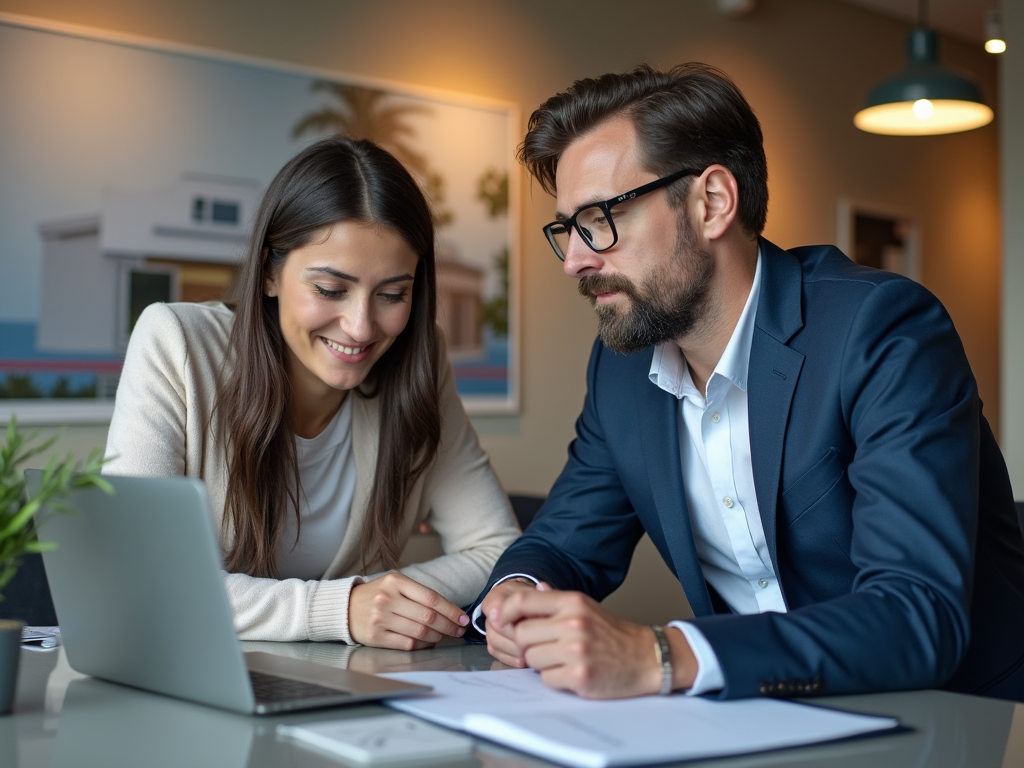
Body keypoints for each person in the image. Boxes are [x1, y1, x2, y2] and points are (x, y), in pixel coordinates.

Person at [474, 63, 1024, 702]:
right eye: (567, 229)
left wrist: (663, 654)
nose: (574, 260)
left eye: (600, 219)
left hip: (966, 722)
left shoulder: (881, 330)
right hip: (766, 724)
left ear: (711, 202)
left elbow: (916, 610)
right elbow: (563, 542)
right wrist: (516, 595)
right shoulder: (621, 373)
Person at [105, 136, 520, 650]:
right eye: (330, 289)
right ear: (269, 273)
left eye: (393, 294)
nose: (362, 326)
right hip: (197, 677)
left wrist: (382, 603)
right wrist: (342, 608)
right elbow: (133, 582)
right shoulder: (176, 342)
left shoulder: (419, 359)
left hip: (344, 686)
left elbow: (495, 547)